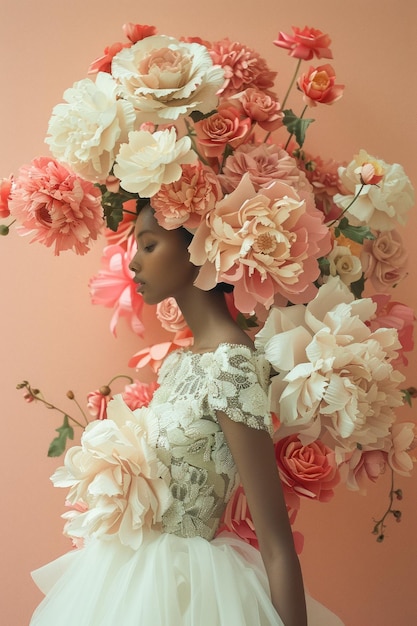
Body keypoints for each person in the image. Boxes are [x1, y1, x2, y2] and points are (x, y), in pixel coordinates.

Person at [29, 202, 344, 626]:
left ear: (196, 248)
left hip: (193, 591)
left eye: (149, 245)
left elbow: (275, 541)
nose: (134, 262)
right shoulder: (180, 363)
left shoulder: (231, 364)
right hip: (128, 584)